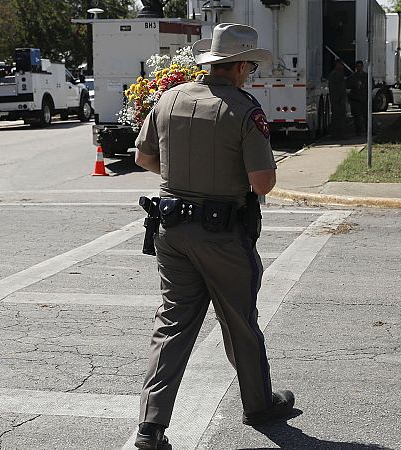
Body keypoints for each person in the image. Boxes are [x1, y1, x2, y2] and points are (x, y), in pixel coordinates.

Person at [132, 23, 294, 450]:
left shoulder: (169, 98)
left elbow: (143, 156)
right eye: (249, 67)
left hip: (171, 228)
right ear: (240, 66)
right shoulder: (244, 109)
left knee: (172, 324)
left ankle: (150, 428)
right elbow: (262, 183)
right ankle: (259, 405)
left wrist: (184, 183)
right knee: (239, 321)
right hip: (222, 234)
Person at [327, 59, 348, 138]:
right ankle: (336, 134)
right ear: (336, 65)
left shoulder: (340, 74)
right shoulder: (334, 74)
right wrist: (337, 98)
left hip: (340, 99)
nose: (342, 66)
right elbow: (334, 88)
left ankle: (340, 134)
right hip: (337, 100)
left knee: (341, 117)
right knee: (337, 117)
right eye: (340, 64)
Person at [346, 60, 369, 134]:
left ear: (363, 67)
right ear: (356, 67)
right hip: (356, 100)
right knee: (357, 117)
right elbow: (347, 85)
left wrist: (364, 86)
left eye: (361, 66)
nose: (359, 68)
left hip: (364, 99)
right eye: (358, 66)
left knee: (366, 116)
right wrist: (355, 85)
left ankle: (368, 130)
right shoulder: (352, 77)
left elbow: (371, 85)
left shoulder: (366, 76)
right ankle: (358, 131)